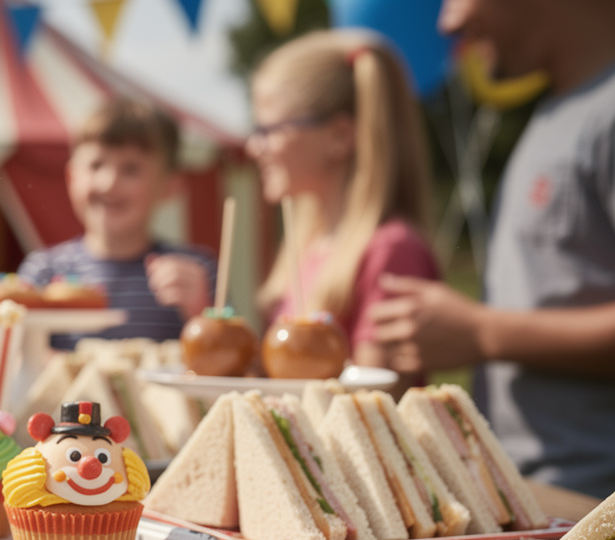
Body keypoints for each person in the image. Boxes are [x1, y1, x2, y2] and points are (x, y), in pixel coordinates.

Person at [371, 0, 615, 498]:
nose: (448, 22)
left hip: (593, 505)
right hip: (540, 494)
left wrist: (482, 332)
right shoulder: (559, 111)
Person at [248, 30, 439, 374]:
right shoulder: (308, 244)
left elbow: (376, 396)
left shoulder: (391, 251)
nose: (253, 147)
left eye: (269, 130)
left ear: (339, 136)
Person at [17, 97, 215, 349]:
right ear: (71, 177)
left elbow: (233, 362)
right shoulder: (43, 273)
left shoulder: (197, 273)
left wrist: (201, 313)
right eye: (96, 165)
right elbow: (17, 357)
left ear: (170, 186)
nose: (109, 183)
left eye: (131, 169)